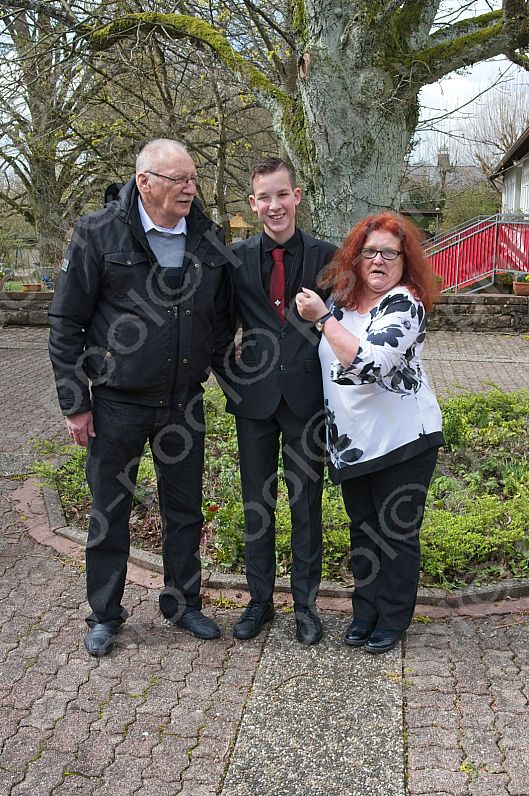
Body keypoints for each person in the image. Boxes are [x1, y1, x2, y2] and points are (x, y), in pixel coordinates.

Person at [48, 138, 232, 657]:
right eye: (178, 179)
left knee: (185, 509)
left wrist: (241, 390)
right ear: (145, 181)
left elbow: (218, 324)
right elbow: (65, 324)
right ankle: (105, 614)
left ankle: (183, 603)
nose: (190, 188)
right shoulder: (97, 233)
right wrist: (75, 403)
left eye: (193, 178)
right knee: (110, 512)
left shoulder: (207, 239)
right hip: (116, 405)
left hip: (182, 402)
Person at [296, 211, 444, 654]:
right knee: (362, 530)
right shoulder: (343, 299)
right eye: (370, 252)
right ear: (357, 257)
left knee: (396, 535)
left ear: (405, 261)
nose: (379, 261)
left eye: (390, 254)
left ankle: (394, 619)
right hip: (354, 445)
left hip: (403, 441)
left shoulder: (405, 304)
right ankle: (365, 611)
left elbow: (369, 365)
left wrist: (323, 319)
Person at [226, 157, 336, 645]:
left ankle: (306, 606)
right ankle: (260, 601)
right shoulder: (234, 260)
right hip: (253, 401)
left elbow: (347, 324)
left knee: (305, 504)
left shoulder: (328, 257)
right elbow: (214, 327)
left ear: (297, 196)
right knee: (258, 504)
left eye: (282, 194)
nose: (275, 205)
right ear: (253, 205)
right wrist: (232, 376)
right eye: (264, 197)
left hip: (306, 399)